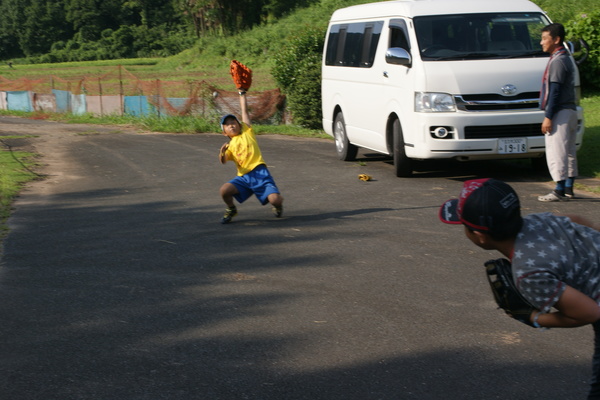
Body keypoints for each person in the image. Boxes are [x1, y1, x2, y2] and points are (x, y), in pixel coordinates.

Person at [439, 178, 600, 398]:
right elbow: (578, 220)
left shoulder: (528, 272)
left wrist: (533, 317)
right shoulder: (538, 220)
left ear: (480, 236)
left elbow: (590, 312)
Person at [218, 91, 284, 224]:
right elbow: (224, 161)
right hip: (244, 178)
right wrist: (222, 152)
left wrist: (242, 94)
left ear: (240, 125)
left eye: (233, 122)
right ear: (224, 132)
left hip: (260, 174)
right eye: (227, 124)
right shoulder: (229, 146)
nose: (231, 125)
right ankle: (231, 209)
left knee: (275, 200)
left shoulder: (247, 133)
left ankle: (278, 205)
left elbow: (245, 112)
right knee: (224, 190)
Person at [538, 23, 579, 202]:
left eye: (545, 38)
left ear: (556, 40)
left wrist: (548, 117)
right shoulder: (565, 58)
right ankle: (569, 187)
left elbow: (554, 91)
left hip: (560, 112)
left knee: (557, 151)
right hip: (570, 109)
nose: (541, 42)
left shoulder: (558, 61)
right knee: (569, 151)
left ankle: (559, 190)